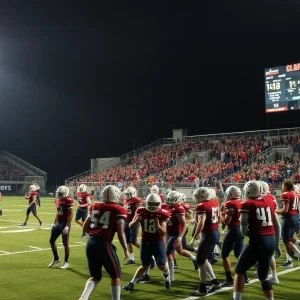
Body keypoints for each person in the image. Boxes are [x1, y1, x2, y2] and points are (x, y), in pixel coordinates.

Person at [79, 185, 129, 300]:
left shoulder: (94, 206)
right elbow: (121, 233)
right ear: (116, 195)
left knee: (95, 276)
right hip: (104, 243)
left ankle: (83, 297)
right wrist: (126, 250)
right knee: (116, 276)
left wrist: (94, 234)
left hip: (91, 243)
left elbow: (85, 227)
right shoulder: (119, 209)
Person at [233, 180, 281, 300]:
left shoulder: (247, 204)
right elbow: (276, 223)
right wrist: (276, 243)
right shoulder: (270, 200)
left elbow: (243, 227)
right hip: (271, 239)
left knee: (239, 270)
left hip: (259, 240)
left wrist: (250, 234)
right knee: (263, 276)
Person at [123, 193, 171, 291]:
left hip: (157, 242)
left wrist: (158, 226)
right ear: (147, 203)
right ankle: (131, 283)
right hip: (145, 242)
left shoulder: (162, 213)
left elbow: (163, 233)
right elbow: (130, 226)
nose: (153, 206)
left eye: (155, 204)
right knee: (144, 265)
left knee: (162, 265)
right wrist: (136, 221)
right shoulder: (141, 211)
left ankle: (166, 274)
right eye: (151, 203)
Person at [189, 187, 221, 296]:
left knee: (200, 261)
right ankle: (214, 281)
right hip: (214, 232)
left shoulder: (201, 206)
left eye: (197, 196)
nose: (195, 198)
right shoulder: (214, 202)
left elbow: (201, 223)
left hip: (208, 234)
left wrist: (194, 237)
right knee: (204, 258)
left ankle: (202, 289)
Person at [164, 191, 198, 282]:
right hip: (168, 232)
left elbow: (184, 224)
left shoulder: (178, 208)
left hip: (176, 233)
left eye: (172, 199)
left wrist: (179, 237)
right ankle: (195, 258)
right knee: (180, 251)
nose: (170, 201)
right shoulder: (166, 206)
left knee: (168, 253)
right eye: (169, 199)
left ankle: (171, 276)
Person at [219, 186, 245, 287]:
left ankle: (229, 279)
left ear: (231, 194)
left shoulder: (230, 203)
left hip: (233, 229)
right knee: (239, 254)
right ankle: (245, 277)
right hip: (241, 229)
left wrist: (221, 213)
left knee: (224, 254)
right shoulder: (242, 202)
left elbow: (226, 221)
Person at [48, 185, 74, 269]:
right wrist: (53, 223)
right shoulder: (57, 200)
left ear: (65, 193)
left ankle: (66, 262)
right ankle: (56, 258)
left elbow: (70, 214)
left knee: (65, 243)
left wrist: (67, 226)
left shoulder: (68, 200)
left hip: (65, 223)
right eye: (58, 193)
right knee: (51, 241)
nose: (58, 194)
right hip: (58, 223)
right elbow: (57, 212)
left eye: (60, 193)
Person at [276, 179, 300, 268]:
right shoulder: (296, 194)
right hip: (295, 217)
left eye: (283, 185)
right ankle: (290, 260)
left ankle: (292, 260)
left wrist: (274, 210)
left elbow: (285, 210)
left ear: (285, 186)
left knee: (285, 239)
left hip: (289, 218)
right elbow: (296, 209)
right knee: (289, 238)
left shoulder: (285, 194)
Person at [123, 187, 143, 265]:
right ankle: (131, 258)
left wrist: (136, 221)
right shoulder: (125, 201)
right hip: (126, 221)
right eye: (126, 194)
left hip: (134, 222)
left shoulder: (137, 200)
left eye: (129, 194)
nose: (127, 195)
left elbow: (139, 211)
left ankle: (149, 252)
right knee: (127, 240)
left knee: (133, 241)